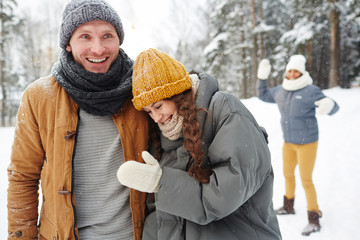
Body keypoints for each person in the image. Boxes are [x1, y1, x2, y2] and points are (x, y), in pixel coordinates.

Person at [7, 0, 149, 239]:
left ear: (119, 40)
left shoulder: (142, 89)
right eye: (85, 36)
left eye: (107, 36)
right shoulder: (39, 97)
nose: (98, 49)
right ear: (68, 44)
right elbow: (23, 177)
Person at [116, 48, 282, 240]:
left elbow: (226, 193)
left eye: (158, 106)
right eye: (148, 111)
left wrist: (162, 183)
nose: (156, 118)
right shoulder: (163, 135)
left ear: (176, 93)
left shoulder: (224, 110)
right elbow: (162, 216)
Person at [256, 55, 339, 236]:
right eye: (290, 70)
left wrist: (329, 105)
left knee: (306, 179)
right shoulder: (280, 90)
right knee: (287, 174)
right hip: (289, 142)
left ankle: (314, 217)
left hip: (308, 143)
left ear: (302, 72)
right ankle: (288, 206)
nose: (292, 74)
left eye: (296, 71)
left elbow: (335, 108)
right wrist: (262, 77)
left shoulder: (311, 90)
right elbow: (262, 95)